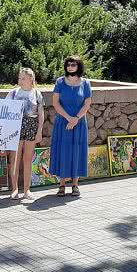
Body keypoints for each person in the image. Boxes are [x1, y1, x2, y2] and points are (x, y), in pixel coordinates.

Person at [49, 56, 93, 197]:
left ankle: (75, 185)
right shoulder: (60, 82)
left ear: (78, 66)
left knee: (77, 151)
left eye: (73, 64)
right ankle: (61, 185)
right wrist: (69, 118)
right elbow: (56, 103)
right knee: (63, 151)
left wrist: (76, 119)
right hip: (63, 123)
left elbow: (87, 104)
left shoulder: (86, 83)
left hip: (79, 124)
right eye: (68, 65)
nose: (70, 67)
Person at [6, 68, 45, 200]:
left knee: (27, 159)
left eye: (23, 78)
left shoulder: (37, 94)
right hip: (16, 126)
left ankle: (27, 189)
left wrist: (39, 131)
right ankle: (15, 189)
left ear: (31, 79)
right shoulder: (13, 93)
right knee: (15, 159)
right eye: (19, 78)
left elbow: (41, 114)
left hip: (31, 126)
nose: (20, 80)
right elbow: (4, 110)